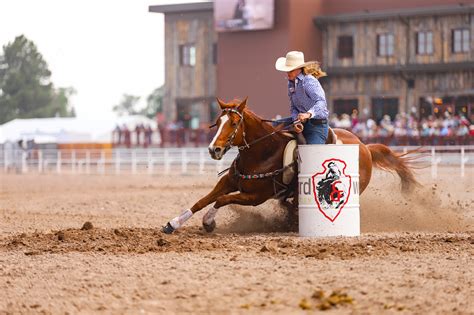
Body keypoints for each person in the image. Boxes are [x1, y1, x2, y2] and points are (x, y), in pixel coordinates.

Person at [275, 51, 329, 144]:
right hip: (302, 123)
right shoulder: (290, 83)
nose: (287, 73)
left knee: (311, 154)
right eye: (287, 70)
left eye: (290, 70)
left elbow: (321, 101)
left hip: (317, 126)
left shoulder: (308, 81)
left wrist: (308, 114)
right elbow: (293, 107)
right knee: (272, 126)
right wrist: (296, 121)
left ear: (298, 69)